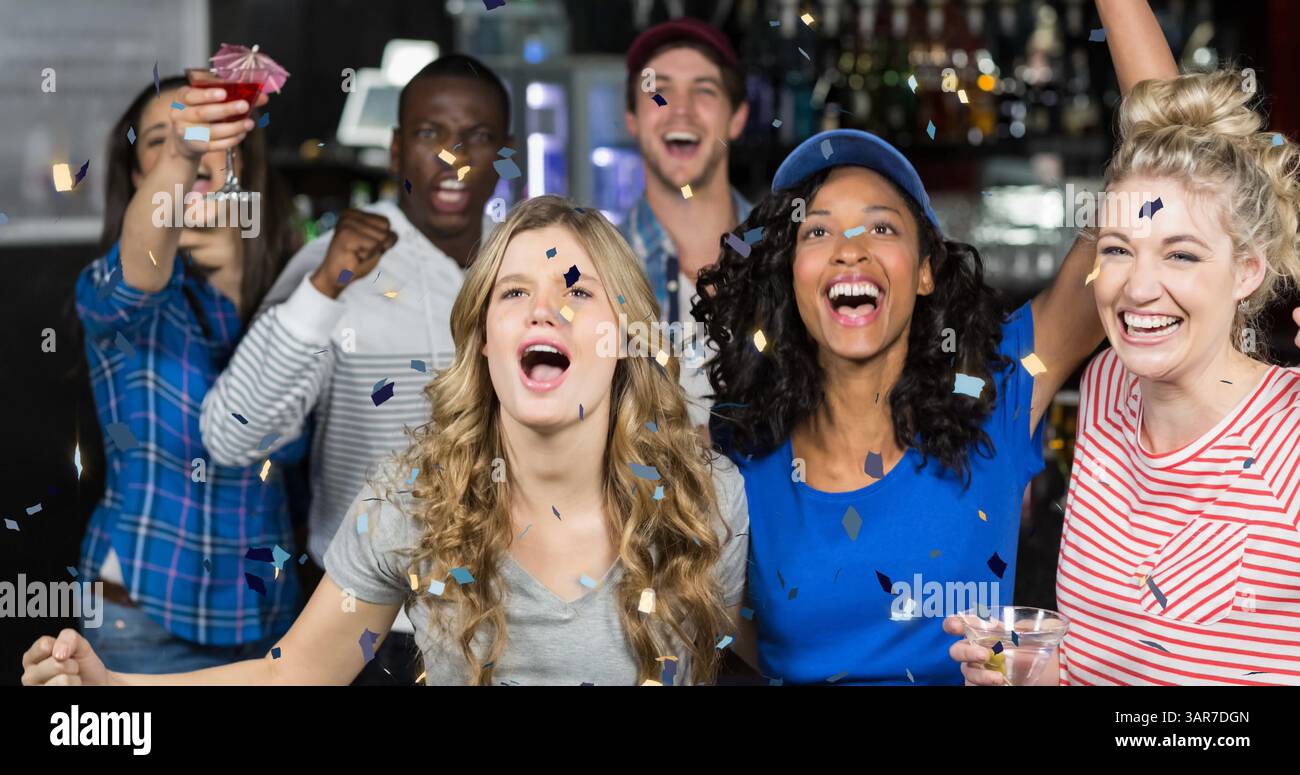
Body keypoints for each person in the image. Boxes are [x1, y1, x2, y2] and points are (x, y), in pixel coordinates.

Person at [24, 196, 750, 686]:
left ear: (624, 337)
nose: (546, 311)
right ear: (484, 339)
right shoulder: (413, 496)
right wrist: (113, 686)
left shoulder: (706, 499)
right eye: (514, 292)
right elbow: (292, 674)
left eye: (577, 291)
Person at [691, 0, 1178, 684]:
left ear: (924, 271)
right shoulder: (741, 460)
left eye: (882, 228)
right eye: (819, 229)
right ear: (789, 273)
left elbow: (1167, 164)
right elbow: (717, 642)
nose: (850, 250)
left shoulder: (996, 393)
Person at [946, 69, 1300, 685]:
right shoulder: (1110, 384)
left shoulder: (1289, 437)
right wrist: (1031, 672)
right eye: (1116, 248)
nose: (1137, 288)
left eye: (1181, 254)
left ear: (1245, 271)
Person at [198, 55, 510, 681]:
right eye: (429, 134)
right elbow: (230, 436)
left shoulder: (531, 266)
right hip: (371, 633)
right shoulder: (337, 261)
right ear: (396, 152)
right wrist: (323, 287)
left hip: (511, 625)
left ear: (504, 154)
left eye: (476, 136)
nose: (453, 156)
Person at [72, 75, 303, 673]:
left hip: (273, 618)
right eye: (161, 140)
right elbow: (140, 271)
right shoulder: (116, 289)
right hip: (143, 619)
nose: (191, 145)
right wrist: (184, 148)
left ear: (244, 159)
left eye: (207, 133)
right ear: (139, 178)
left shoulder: (297, 292)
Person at [622, 18, 751, 432]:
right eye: (658, 90)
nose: (679, 109)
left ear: (737, 118)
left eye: (705, 90)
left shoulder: (792, 259)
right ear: (631, 119)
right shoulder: (592, 269)